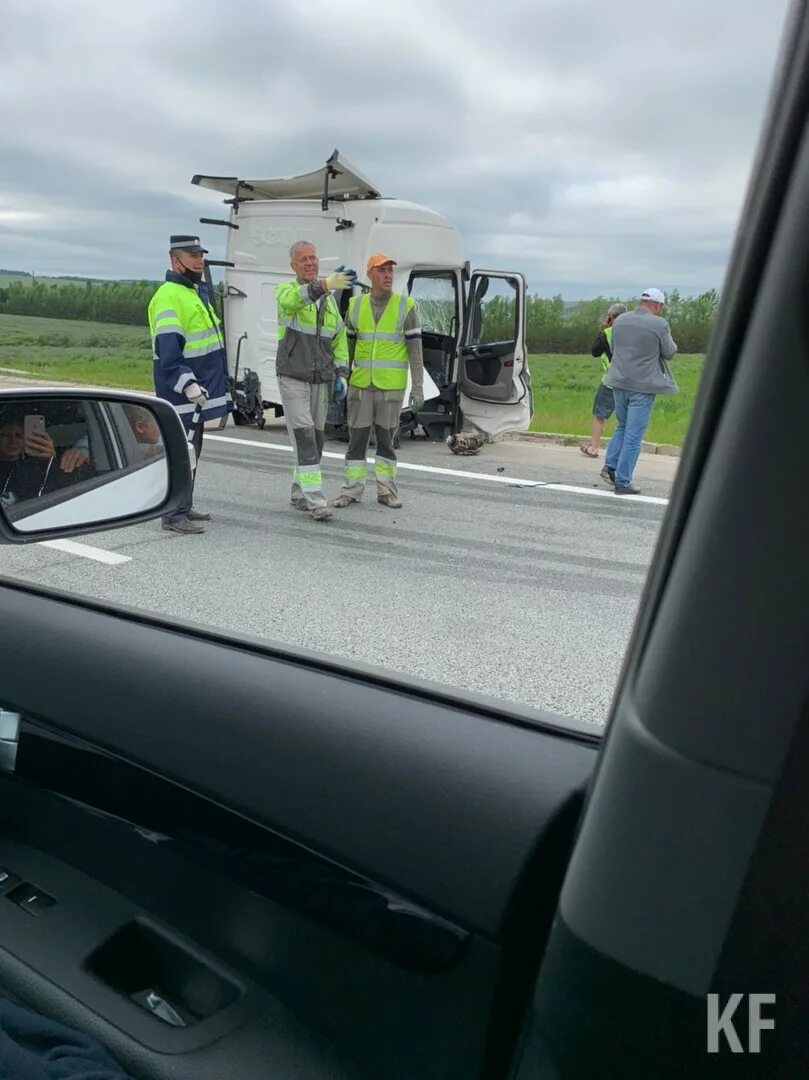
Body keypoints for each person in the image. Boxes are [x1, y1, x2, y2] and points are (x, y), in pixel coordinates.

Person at [147, 235, 232, 534]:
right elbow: (169, 352)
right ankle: (172, 514)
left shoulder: (194, 293)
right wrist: (189, 385)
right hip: (182, 394)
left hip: (197, 394)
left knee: (193, 452)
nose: (199, 260)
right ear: (175, 260)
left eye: (201, 255)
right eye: (192, 255)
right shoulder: (170, 296)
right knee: (182, 453)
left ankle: (184, 504)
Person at [333, 253, 424, 511]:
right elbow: (345, 348)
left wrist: (417, 388)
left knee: (386, 440)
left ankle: (387, 491)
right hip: (360, 386)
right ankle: (351, 491)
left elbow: (416, 352)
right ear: (370, 274)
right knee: (356, 441)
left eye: (390, 271)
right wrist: (341, 376)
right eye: (382, 271)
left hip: (390, 388)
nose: (388, 276)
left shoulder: (406, 307)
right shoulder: (356, 306)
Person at [274, 242, 354, 522]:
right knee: (305, 437)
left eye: (313, 258)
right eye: (303, 259)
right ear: (293, 266)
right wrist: (324, 285)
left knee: (316, 441)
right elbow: (293, 301)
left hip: (320, 380)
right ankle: (316, 501)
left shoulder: (329, 301)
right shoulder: (286, 291)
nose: (310, 262)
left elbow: (339, 339)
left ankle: (299, 491)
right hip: (292, 377)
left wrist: (342, 373)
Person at [600, 288, 678, 494]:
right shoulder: (659, 324)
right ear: (657, 305)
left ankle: (609, 465)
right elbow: (669, 353)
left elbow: (615, 349)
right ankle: (623, 481)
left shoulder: (620, 321)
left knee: (622, 425)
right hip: (642, 385)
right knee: (634, 435)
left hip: (618, 381)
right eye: (661, 306)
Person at [581, 302, 627, 459]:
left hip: (611, 381)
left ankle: (593, 448)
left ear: (611, 318)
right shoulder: (634, 332)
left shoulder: (608, 332)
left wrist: (603, 330)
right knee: (625, 421)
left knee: (599, 415)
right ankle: (623, 451)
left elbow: (595, 351)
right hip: (631, 383)